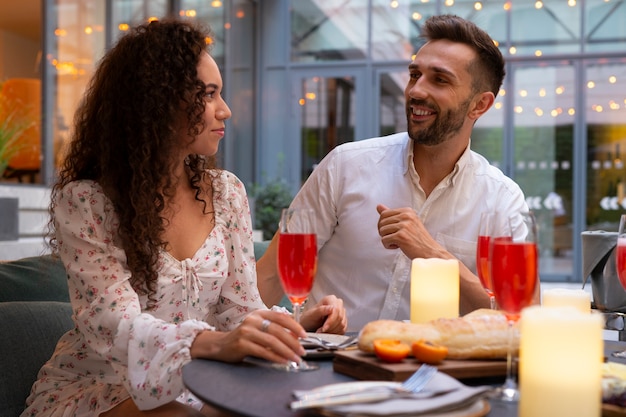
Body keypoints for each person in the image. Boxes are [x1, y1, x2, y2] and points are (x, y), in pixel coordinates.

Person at [21, 19, 346, 417]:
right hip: (101, 386)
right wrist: (212, 345)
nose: (224, 110)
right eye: (207, 95)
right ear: (154, 104)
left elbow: (237, 310)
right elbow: (113, 326)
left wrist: (294, 324)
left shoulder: (226, 193)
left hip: (201, 379)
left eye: (219, 94)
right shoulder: (88, 202)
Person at [257, 14, 540, 332]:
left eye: (440, 80)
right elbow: (268, 276)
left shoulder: (501, 199)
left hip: (437, 374)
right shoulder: (345, 166)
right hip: (329, 367)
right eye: (414, 75)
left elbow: (524, 317)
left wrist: (435, 255)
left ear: (480, 105)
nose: (416, 90)